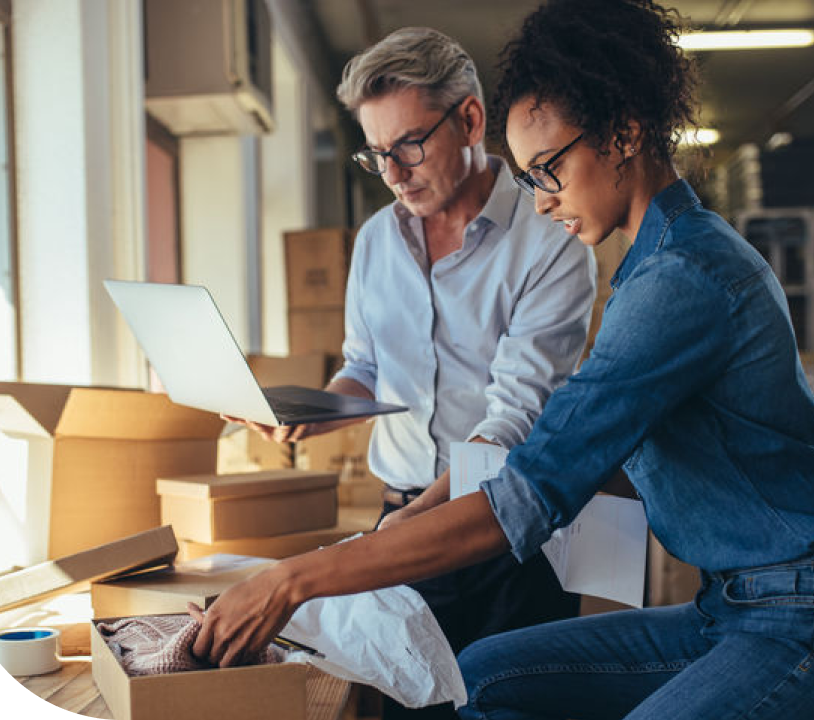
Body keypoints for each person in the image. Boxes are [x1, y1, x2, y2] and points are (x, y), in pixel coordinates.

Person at [194, 2, 814, 718]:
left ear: (624, 133)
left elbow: (531, 487)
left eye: (548, 170)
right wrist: (402, 518)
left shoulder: (681, 280)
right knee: (479, 679)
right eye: (529, 176)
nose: (540, 202)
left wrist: (293, 581)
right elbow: (556, 449)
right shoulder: (650, 268)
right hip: (729, 609)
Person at [227, 26, 594, 720]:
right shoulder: (375, 242)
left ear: (471, 120)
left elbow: (511, 421)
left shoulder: (550, 240)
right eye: (376, 154)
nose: (393, 173)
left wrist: (408, 530)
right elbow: (363, 364)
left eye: (408, 146)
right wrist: (315, 410)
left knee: (509, 704)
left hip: (505, 536)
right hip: (398, 521)